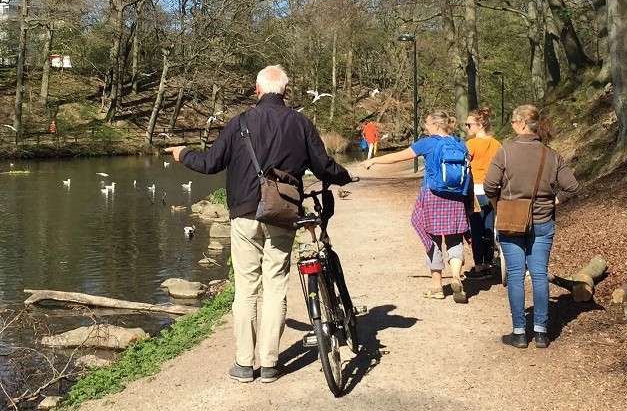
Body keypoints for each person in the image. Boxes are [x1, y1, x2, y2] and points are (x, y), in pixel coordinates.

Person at [164, 65, 351, 384]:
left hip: (245, 213)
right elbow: (323, 166)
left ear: (257, 89)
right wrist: (344, 176)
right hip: (283, 213)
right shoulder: (300, 122)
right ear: (286, 92)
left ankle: (243, 362)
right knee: (276, 285)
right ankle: (269, 364)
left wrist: (184, 154)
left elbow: (210, 164)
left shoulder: (240, 123)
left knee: (247, 287)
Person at [483, 104, 579, 349]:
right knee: (539, 274)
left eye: (514, 122)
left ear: (522, 124)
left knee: (515, 275)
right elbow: (572, 187)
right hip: (542, 222)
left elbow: (489, 186)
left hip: (510, 221)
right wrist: (551, 202)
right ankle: (541, 333)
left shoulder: (504, 153)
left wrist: (498, 207)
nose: (512, 126)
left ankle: (518, 333)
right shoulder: (552, 155)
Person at [361, 109, 471, 304]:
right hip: (455, 198)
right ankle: (455, 277)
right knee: (455, 239)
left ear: (436, 125)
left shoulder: (427, 143)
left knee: (433, 240)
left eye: (427, 125)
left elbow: (398, 157)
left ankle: (437, 287)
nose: (426, 128)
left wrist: (374, 160)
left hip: (433, 196)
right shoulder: (460, 144)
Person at [464, 107, 501, 280]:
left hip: (476, 191)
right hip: (493, 191)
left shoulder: (470, 145)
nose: (467, 128)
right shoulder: (496, 144)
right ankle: (489, 262)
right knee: (489, 228)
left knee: (476, 230)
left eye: (469, 124)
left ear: (479, 125)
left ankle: (479, 266)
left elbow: (464, 166)